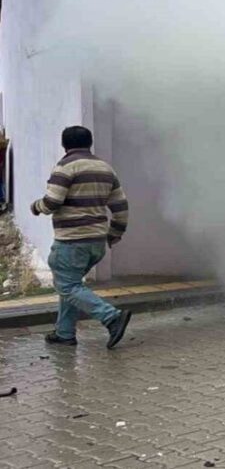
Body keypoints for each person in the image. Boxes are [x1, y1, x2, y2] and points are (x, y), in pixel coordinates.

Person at [31, 126, 132, 347]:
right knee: (72, 285)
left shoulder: (65, 167)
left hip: (72, 241)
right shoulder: (105, 169)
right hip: (97, 241)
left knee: (67, 287)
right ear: (90, 143)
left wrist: (36, 207)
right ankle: (65, 333)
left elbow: (52, 202)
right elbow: (120, 206)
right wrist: (115, 233)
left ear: (64, 145)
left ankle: (112, 317)